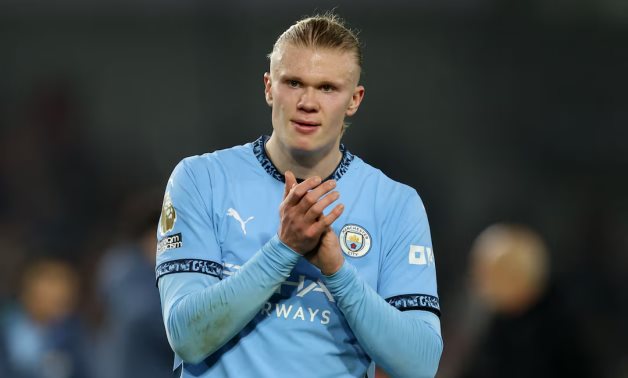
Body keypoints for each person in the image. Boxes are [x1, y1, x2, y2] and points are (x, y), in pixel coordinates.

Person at [156, 12, 442, 378]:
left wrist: (337, 272)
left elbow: (420, 365)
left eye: (327, 88)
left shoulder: (395, 204)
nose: (308, 101)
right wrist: (284, 249)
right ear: (268, 87)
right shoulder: (201, 180)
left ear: (354, 100)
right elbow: (186, 337)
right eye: (294, 83)